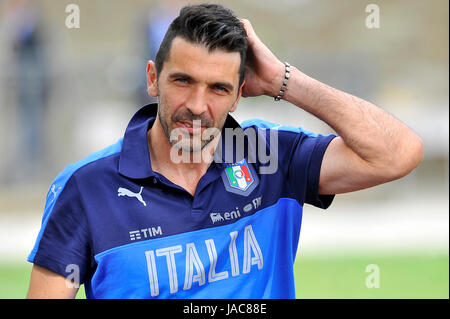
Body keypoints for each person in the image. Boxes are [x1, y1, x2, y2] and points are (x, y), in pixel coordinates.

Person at [26, 4, 424, 299]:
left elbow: (397, 153)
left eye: (218, 88)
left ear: (238, 95)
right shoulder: (85, 186)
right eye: (183, 80)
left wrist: (284, 81)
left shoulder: (271, 157)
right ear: (153, 79)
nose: (198, 105)